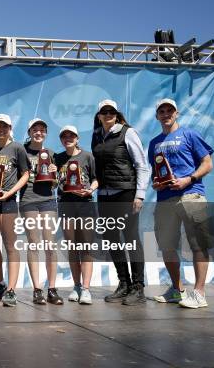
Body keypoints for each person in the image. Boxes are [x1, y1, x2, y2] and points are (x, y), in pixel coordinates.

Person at [149, 98, 214, 309]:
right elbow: (155, 173)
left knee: (198, 244)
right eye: (162, 111)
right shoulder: (154, 143)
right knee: (167, 246)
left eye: (170, 110)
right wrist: (156, 183)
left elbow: (208, 163)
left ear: (176, 114)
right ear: (157, 116)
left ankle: (199, 293)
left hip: (191, 195)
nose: (166, 114)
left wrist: (190, 179)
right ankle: (177, 290)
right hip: (165, 199)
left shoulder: (189, 134)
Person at [91, 100, 150, 305]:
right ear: (99, 115)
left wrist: (139, 194)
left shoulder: (128, 132)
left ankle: (138, 287)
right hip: (104, 196)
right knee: (112, 239)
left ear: (116, 114)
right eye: (104, 112)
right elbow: (97, 170)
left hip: (125, 193)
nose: (108, 114)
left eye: (111, 112)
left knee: (131, 238)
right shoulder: (96, 136)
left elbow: (141, 165)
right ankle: (124, 284)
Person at [0, 114, 30, 307]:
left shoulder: (18, 148)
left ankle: (11, 290)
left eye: (5, 126)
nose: (1, 129)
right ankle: (0, 284)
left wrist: (10, 192)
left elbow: (26, 174)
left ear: (10, 128)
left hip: (8, 200)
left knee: (10, 246)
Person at [20, 118, 62, 305]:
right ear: (29, 132)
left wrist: (56, 174)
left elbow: (54, 184)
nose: (39, 133)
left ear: (46, 133)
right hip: (28, 200)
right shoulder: (21, 151)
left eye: (42, 130)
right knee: (33, 243)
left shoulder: (51, 153)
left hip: (47, 200)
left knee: (50, 244)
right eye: (35, 130)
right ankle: (37, 289)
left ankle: (52, 289)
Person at [55, 125, 98, 305]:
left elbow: (96, 179)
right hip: (66, 205)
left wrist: (90, 190)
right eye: (64, 136)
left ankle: (86, 289)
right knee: (72, 247)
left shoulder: (87, 156)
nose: (68, 139)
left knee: (86, 247)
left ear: (77, 138)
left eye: (71, 136)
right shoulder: (56, 158)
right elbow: (51, 178)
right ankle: (77, 285)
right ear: (61, 140)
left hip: (85, 204)